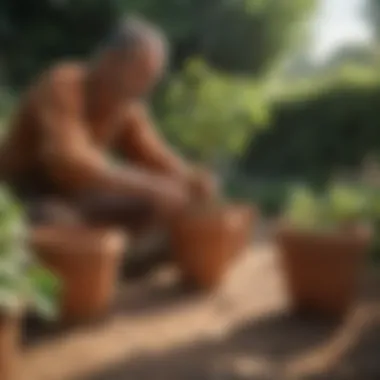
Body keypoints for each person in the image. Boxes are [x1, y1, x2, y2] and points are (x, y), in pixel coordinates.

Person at [0, 17, 218, 276]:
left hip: (77, 198)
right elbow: (68, 160)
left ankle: (115, 262)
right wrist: (150, 186)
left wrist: (191, 180)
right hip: (25, 194)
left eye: (152, 76)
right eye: (141, 72)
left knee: (163, 205)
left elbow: (156, 156)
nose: (147, 85)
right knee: (56, 221)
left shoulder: (127, 107)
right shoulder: (63, 83)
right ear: (110, 60)